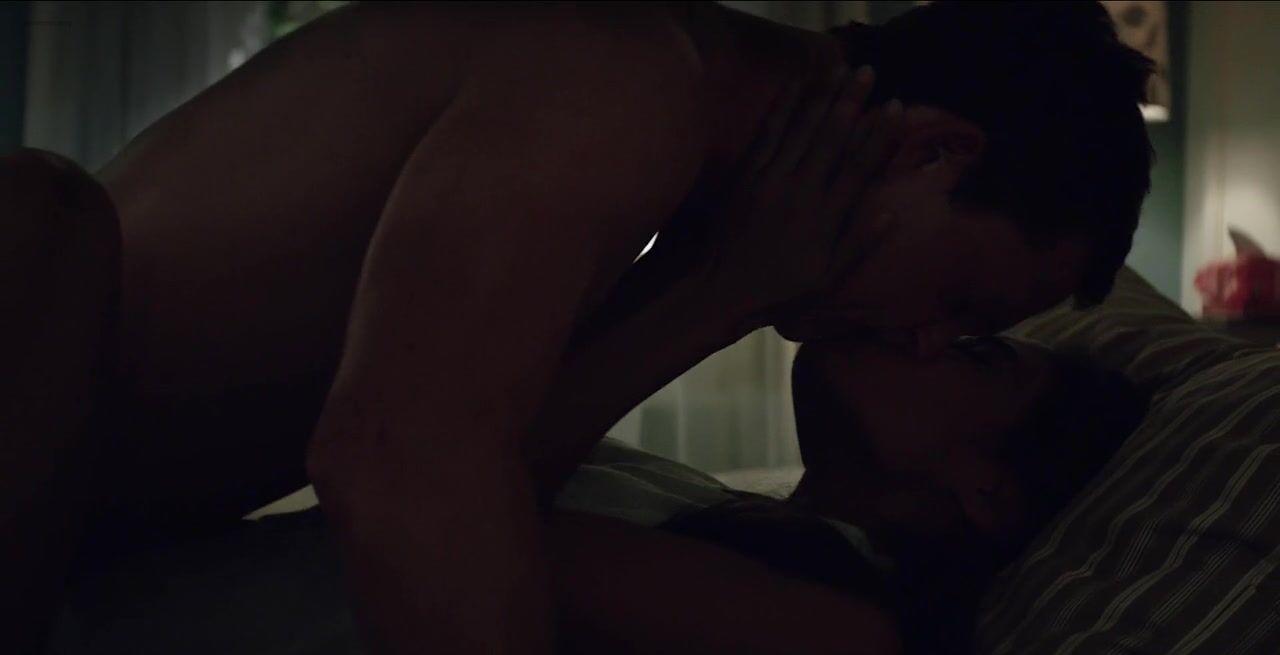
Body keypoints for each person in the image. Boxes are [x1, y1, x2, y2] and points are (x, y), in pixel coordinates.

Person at [0, 2, 1153, 652]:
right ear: (932, 152)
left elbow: (493, 478)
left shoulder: (686, 208)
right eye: (961, 302)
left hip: (71, 532)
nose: (922, 339)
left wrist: (721, 291)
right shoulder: (629, 84)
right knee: (38, 214)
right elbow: (391, 465)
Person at [656, 335, 1148, 654]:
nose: (919, 333)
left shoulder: (827, 628)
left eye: (974, 353)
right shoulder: (714, 510)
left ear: (988, 492)